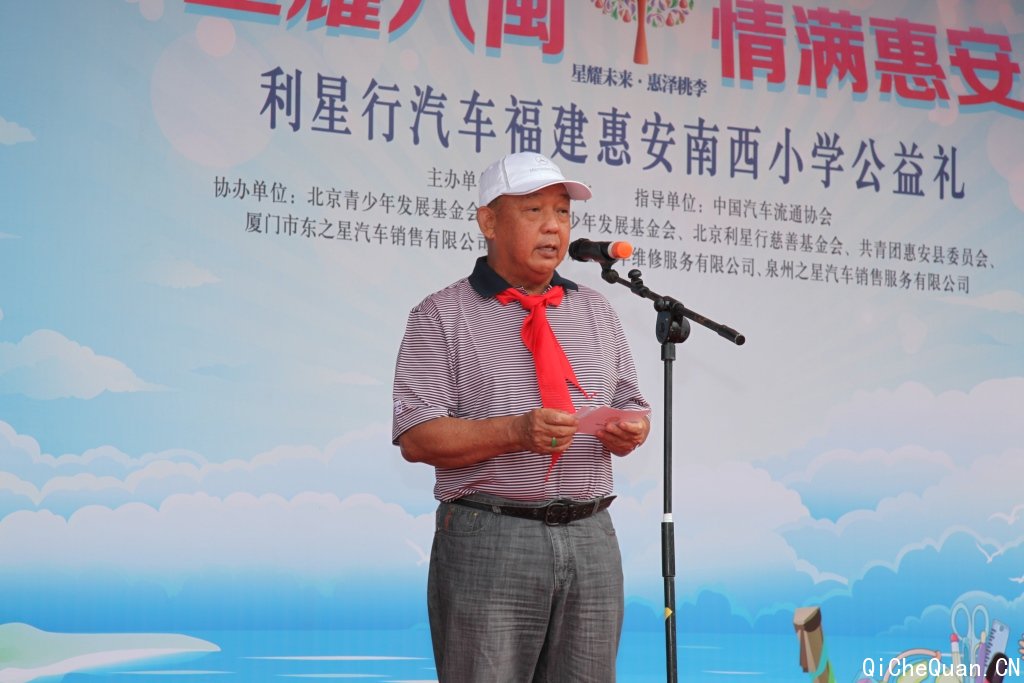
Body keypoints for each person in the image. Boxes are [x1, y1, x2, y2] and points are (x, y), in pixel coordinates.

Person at [391, 152, 650, 682]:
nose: (553, 226)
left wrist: (630, 429)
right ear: (488, 221)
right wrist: (515, 431)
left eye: (563, 212)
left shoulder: (596, 310)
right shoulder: (441, 314)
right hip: (492, 534)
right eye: (534, 211)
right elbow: (417, 436)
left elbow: (629, 399)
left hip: (591, 536)